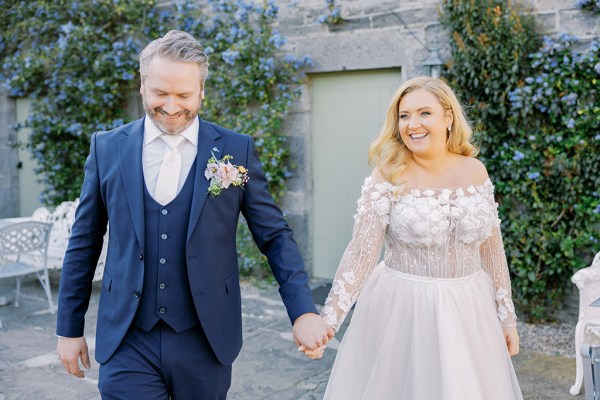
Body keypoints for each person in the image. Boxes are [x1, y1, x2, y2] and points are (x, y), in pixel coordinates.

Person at [56, 30, 333, 399]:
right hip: (127, 338)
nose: (171, 106)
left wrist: (303, 311)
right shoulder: (106, 148)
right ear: (142, 86)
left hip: (205, 337)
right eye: (160, 93)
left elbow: (274, 236)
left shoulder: (236, 150)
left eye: (184, 95)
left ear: (201, 91)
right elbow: (84, 242)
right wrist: (69, 328)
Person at [304, 76, 523, 399]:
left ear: (448, 117)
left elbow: (493, 250)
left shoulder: (475, 171)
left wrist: (507, 319)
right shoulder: (388, 175)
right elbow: (361, 255)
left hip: (469, 310)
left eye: (424, 113)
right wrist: (329, 323)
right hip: (405, 309)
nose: (412, 125)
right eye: (404, 116)